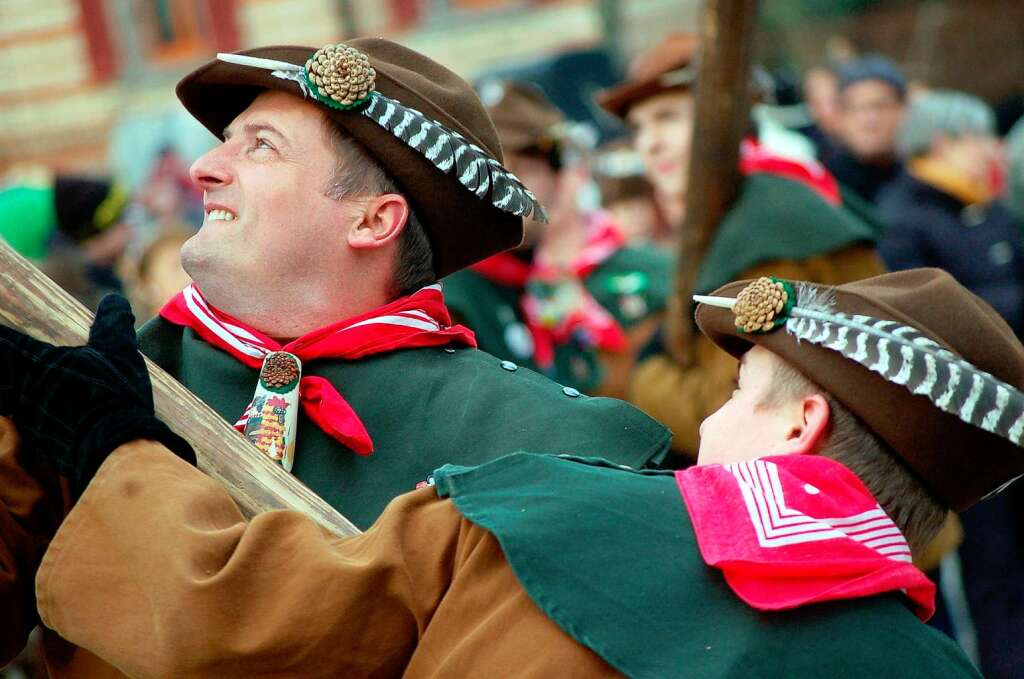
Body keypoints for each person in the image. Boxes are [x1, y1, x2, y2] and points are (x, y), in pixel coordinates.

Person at [4, 268, 1012, 677]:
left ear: (803, 424)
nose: (705, 420)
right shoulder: (933, 669)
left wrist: (109, 444)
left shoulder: (543, 509)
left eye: (740, 390)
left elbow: (226, 621)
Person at [136, 39, 671, 532]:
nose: (203, 168)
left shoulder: (535, 445)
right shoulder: (118, 374)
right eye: (228, 141)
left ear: (372, 222)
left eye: (262, 147)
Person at [595, 33, 885, 459]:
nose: (649, 143)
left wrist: (643, 376)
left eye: (667, 117)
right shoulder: (755, 207)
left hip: (850, 506)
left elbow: (737, 416)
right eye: (639, 127)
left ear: (722, 118)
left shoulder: (767, 233)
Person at [878, 91, 1024, 678]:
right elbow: (926, 318)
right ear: (944, 143)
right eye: (980, 138)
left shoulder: (989, 207)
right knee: (995, 573)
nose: (992, 150)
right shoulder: (902, 218)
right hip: (968, 425)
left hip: (1016, 408)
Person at [442, 82, 673, 397]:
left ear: (559, 178)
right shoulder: (452, 299)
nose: (499, 190)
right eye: (482, 173)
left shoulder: (652, 272)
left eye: (520, 169)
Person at [819, 55, 907, 204]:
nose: (870, 120)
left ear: (903, 111)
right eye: (858, 108)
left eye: (880, 106)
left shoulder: (923, 183)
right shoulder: (823, 186)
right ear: (839, 117)